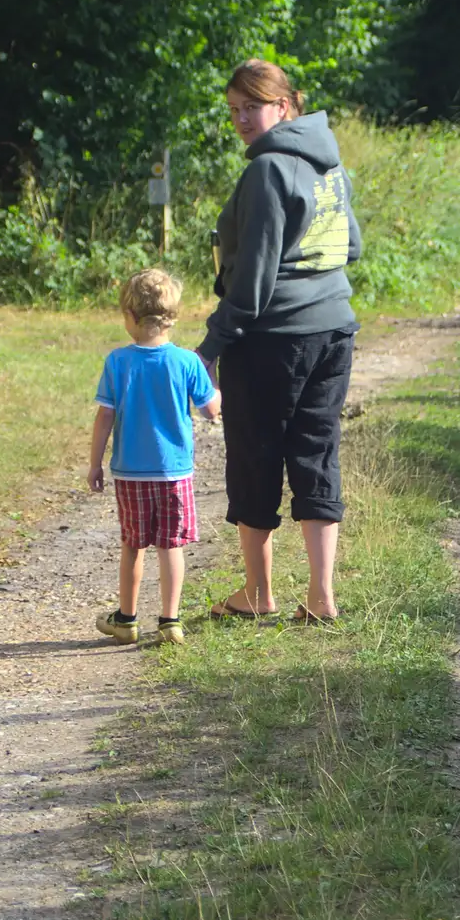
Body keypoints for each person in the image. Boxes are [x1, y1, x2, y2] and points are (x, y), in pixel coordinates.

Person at [196, 58, 362, 622]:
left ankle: (259, 595)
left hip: (273, 339)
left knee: (255, 457)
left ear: (283, 106)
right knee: (316, 453)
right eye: (234, 110)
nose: (242, 119)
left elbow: (254, 279)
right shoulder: (330, 162)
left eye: (252, 107)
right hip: (335, 329)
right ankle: (321, 598)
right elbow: (352, 246)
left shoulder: (267, 170)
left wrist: (211, 347)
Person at [89, 268, 220, 645]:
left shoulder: (118, 362)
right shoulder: (188, 362)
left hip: (130, 473)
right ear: (173, 317)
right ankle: (170, 621)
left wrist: (95, 463)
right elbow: (211, 410)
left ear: (130, 317)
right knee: (170, 546)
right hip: (174, 473)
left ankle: (127, 619)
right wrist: (220, 388)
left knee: (133, 544)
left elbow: (105, 416)